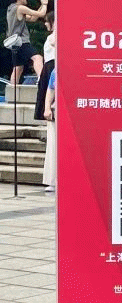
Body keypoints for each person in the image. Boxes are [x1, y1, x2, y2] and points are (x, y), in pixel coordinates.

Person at [6, 0, 48, 92]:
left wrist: (41, 6)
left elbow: (33, 18)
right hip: (22, 42)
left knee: (18, 68)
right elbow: (42, 14)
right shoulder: (20, 8)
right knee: (37, 58)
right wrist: (45, 4)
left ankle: (12, 90)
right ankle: (42, 80)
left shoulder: (11, 9)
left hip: (14, 43)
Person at [35, 12, 56, 192]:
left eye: (48, 22)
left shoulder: (56, 36)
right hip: (49, 74)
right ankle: (52, 179)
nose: (45, 24)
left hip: (52, 71)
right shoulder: (52, 37)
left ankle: (54, 179)